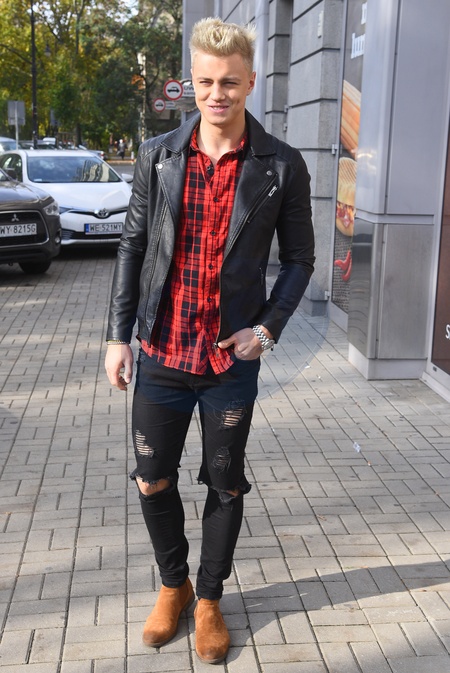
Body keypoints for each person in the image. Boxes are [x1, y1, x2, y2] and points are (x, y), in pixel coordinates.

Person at [105, 17, 315, 665]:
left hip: (229, 361)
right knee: (152, 477)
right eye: (205, 82)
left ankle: (210, 599)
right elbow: (133, 245)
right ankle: (175, 585)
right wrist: (117, 336)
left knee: (224, 481)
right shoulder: (158, 156)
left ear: (250, 81)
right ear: (191, 84)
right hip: (162, 352)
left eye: (229, 82)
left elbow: (300, 259)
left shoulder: (281, 165)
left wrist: (268, 328)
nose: (216, 94)